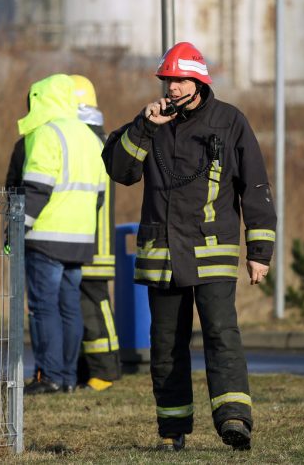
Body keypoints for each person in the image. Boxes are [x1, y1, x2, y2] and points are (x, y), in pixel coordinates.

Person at [102, 42, 276, 452]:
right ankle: (172, 428)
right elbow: (119, 170)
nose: (172, 87)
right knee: (165, 345)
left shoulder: (230, 122)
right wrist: (144, 127)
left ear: (198, 81)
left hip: (211, 252)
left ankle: (234, 420)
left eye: (180, 80)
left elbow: (255, 187)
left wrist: (259, 252)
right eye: (168, 80)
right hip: (162, 257)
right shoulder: (150, 122)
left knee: (221, 334)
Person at [5, 73, 108, 395]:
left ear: (39, 100)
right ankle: (65, 378)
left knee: (43, 307)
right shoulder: (90, 137)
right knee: (69, 307)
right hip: (79, 239)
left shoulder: (46, 134)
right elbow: (101, 193)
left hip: (46, 236)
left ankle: (48, 377)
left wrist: (16, 229)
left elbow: (36, 187)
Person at [70, 75, 121, 392]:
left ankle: (104, 372)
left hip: (91, 242)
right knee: (87, 307)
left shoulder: (88, 142)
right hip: (89, 241)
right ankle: (92, 370)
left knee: (94, 306)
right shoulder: (94, 139)